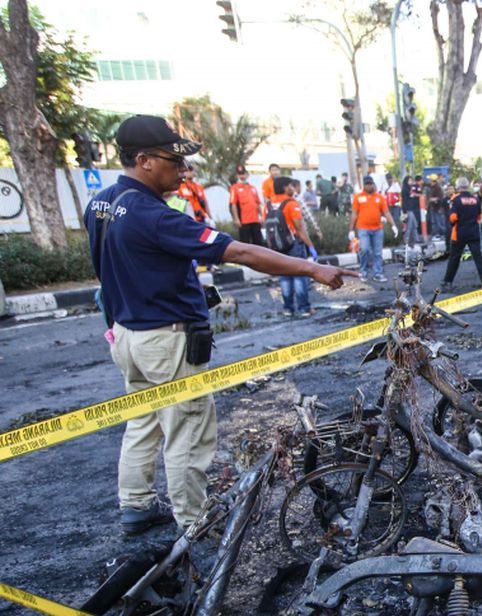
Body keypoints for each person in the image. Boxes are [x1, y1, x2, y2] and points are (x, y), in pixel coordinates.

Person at [83, 114, 356, 535]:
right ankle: (195, 523)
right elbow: (241, 253)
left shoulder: (101, 204)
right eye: (172, 160)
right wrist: (310, 268)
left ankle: (135, 504)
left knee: (143, 420)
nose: (182, 170)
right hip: (166, 339)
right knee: (187, 428)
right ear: (143, 160)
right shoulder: (155, 217)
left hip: (126, 335)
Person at [267, 176, 318, 317]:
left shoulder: (269, 203)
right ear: (285, 187)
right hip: (293, 244)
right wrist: (311, 246)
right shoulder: (291, 203)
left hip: (278, 245)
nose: (293, 188)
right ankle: (304, 308)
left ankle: (288, 308)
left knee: (285, 276)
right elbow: (300, 228)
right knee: (299, 275)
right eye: (290, 186)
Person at [441, 177, 482, 292]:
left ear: (458, 187)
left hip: (459, 232)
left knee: (454, 258)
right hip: (473, 232)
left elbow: (453, 217)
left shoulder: (455, 199)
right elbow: (479, 216)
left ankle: (447, 282)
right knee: (478, 257)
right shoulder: (475, 199)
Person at [350, 175, 397, 282]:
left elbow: (386, 212)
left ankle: (378, 273)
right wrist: (351, 229)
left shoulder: (379, 197)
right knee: (365, 249)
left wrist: (393, 225)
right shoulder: (358, 197)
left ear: (373, 184)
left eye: (370, 184)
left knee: (378, 252)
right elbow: (354, 214)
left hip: (377, 229)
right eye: (367, 184)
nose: (369, 186)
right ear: (364, 185)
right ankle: (363, 271)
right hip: (363, 228)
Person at [228, 165, 263, 245]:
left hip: (255, 219)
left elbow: (257, 203)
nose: (242, 176)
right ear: (237, 175)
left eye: (243, 174)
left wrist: (261, 215)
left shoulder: (252, 187)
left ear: (247, 174)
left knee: (259, 243)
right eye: (240, 174)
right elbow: (233, 204)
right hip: (244, 221)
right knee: (245, 243)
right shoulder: (234, 188)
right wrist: (236, 219)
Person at [290, 178, 323, 245]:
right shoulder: (298, 198)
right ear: (297, 187)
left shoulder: (287, 198)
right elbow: (308, 216)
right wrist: (317, 230)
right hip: (300, 234)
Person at [402, 175, 423, 247]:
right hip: (408, 209)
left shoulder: (409, 188)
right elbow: (406, 200)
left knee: (414, 224)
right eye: (410, 180)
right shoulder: (405, 189)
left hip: (411, 209)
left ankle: (416, 239)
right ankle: (406, 239)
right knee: (409, 225)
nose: (411, 182)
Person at [426, 174, 446, 239]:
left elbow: (440, 198)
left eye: (430, 180)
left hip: (438, 207)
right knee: (434, 222)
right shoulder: (432, 187)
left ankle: (443, 235)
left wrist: (432, 199)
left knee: (439, 222)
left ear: (433, 181)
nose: (429, 181)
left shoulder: (438, 188)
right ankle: (435, 234)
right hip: (433, 207)